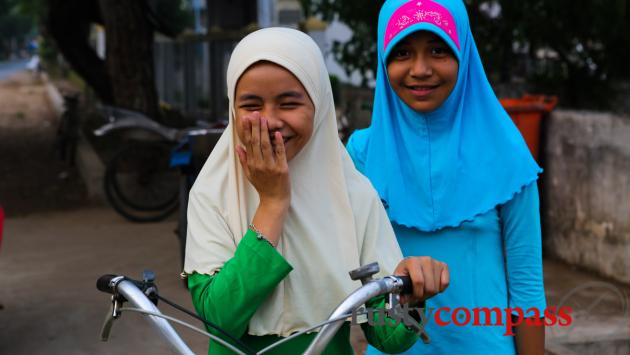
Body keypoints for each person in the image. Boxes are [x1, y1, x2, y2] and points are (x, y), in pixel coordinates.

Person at [183, 27, 449, 355]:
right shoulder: (212, 194)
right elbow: (219, 321)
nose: (269, 122)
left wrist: (412, 295)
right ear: (232, 110)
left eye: (289, 102)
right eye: (251, 104)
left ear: (320, 106)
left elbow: (387, 336)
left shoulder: (353, 195)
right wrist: (272, 203)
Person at [346, 0, 547, 354]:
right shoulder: (362, 154)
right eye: (403, 52)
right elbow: (354, 277)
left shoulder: (506, 154)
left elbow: (527, 288)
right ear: (383, 59)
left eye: (438, 50)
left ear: (463, 54)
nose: (420, 69)